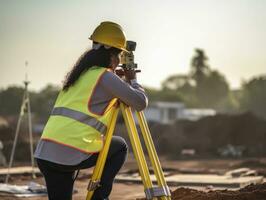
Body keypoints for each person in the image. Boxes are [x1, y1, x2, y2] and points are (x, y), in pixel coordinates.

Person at [34, 21, 148, 200]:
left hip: (46, 153)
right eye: (120, 55)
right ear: (112, 54)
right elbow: (140, 102)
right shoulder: (105, 77)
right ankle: (99, 197)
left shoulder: (78, 76)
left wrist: (115, 80)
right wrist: (132, 79)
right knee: (119, 147)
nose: (120, 60)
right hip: (71, 152)